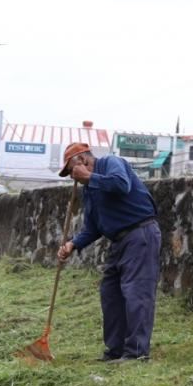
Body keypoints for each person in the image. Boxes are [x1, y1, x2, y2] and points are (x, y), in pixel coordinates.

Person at [56, 142, 161, 363]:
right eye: (69, 174)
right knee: (110, 293)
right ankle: (115, 350)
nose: (71, 176)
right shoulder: (88, 191)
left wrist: (89, 178)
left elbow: (121, 185)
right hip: (118, 241)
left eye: (71, 170)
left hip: (140, 233)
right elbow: (93, 227)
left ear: (83, 160)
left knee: (136, 293)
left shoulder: (111, 163)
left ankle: (136, 353)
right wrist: (72, 244)